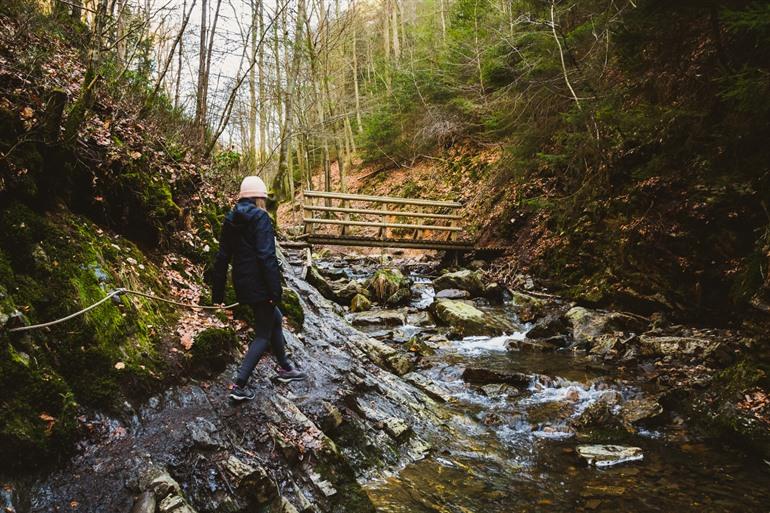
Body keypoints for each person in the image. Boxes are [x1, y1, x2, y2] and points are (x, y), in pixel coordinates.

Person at [212, 175, 306, 401]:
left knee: (275, 318)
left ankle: (284, 367)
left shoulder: (230, 219)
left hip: (242, 283)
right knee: (263, 334)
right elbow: (266, 256)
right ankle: (239, 384)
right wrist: (275, 291)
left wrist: (218, 293)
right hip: (260, 284)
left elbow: (222, 257)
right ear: (258, 198)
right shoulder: (261, 219)